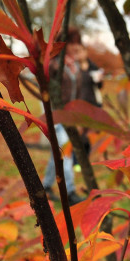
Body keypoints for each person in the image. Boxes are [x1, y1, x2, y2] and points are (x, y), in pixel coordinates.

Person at [42, 28, 85, 205]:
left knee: (57, 154)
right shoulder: (54, 65)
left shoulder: (74, 65)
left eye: (78, 42)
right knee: (65, 152)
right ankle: (70, 191)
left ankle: (45, 186)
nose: (76, 47)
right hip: (56, 115)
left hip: (71, 115)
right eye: (73, 43)